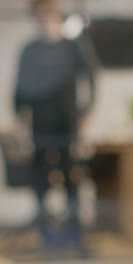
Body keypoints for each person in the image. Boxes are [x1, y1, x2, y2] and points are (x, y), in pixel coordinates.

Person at [14, 0, 97, 248]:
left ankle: (74, 229)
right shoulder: (30, 49)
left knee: (70, 174)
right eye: (39, 14)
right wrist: (20, 118)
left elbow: (90, 79)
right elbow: (19, 88)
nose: (44, 18)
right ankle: (45, 230)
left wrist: (86, 112)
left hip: (66, 123)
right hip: (40, 125)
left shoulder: (72, 47)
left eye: (47, 13)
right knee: (41, 175)